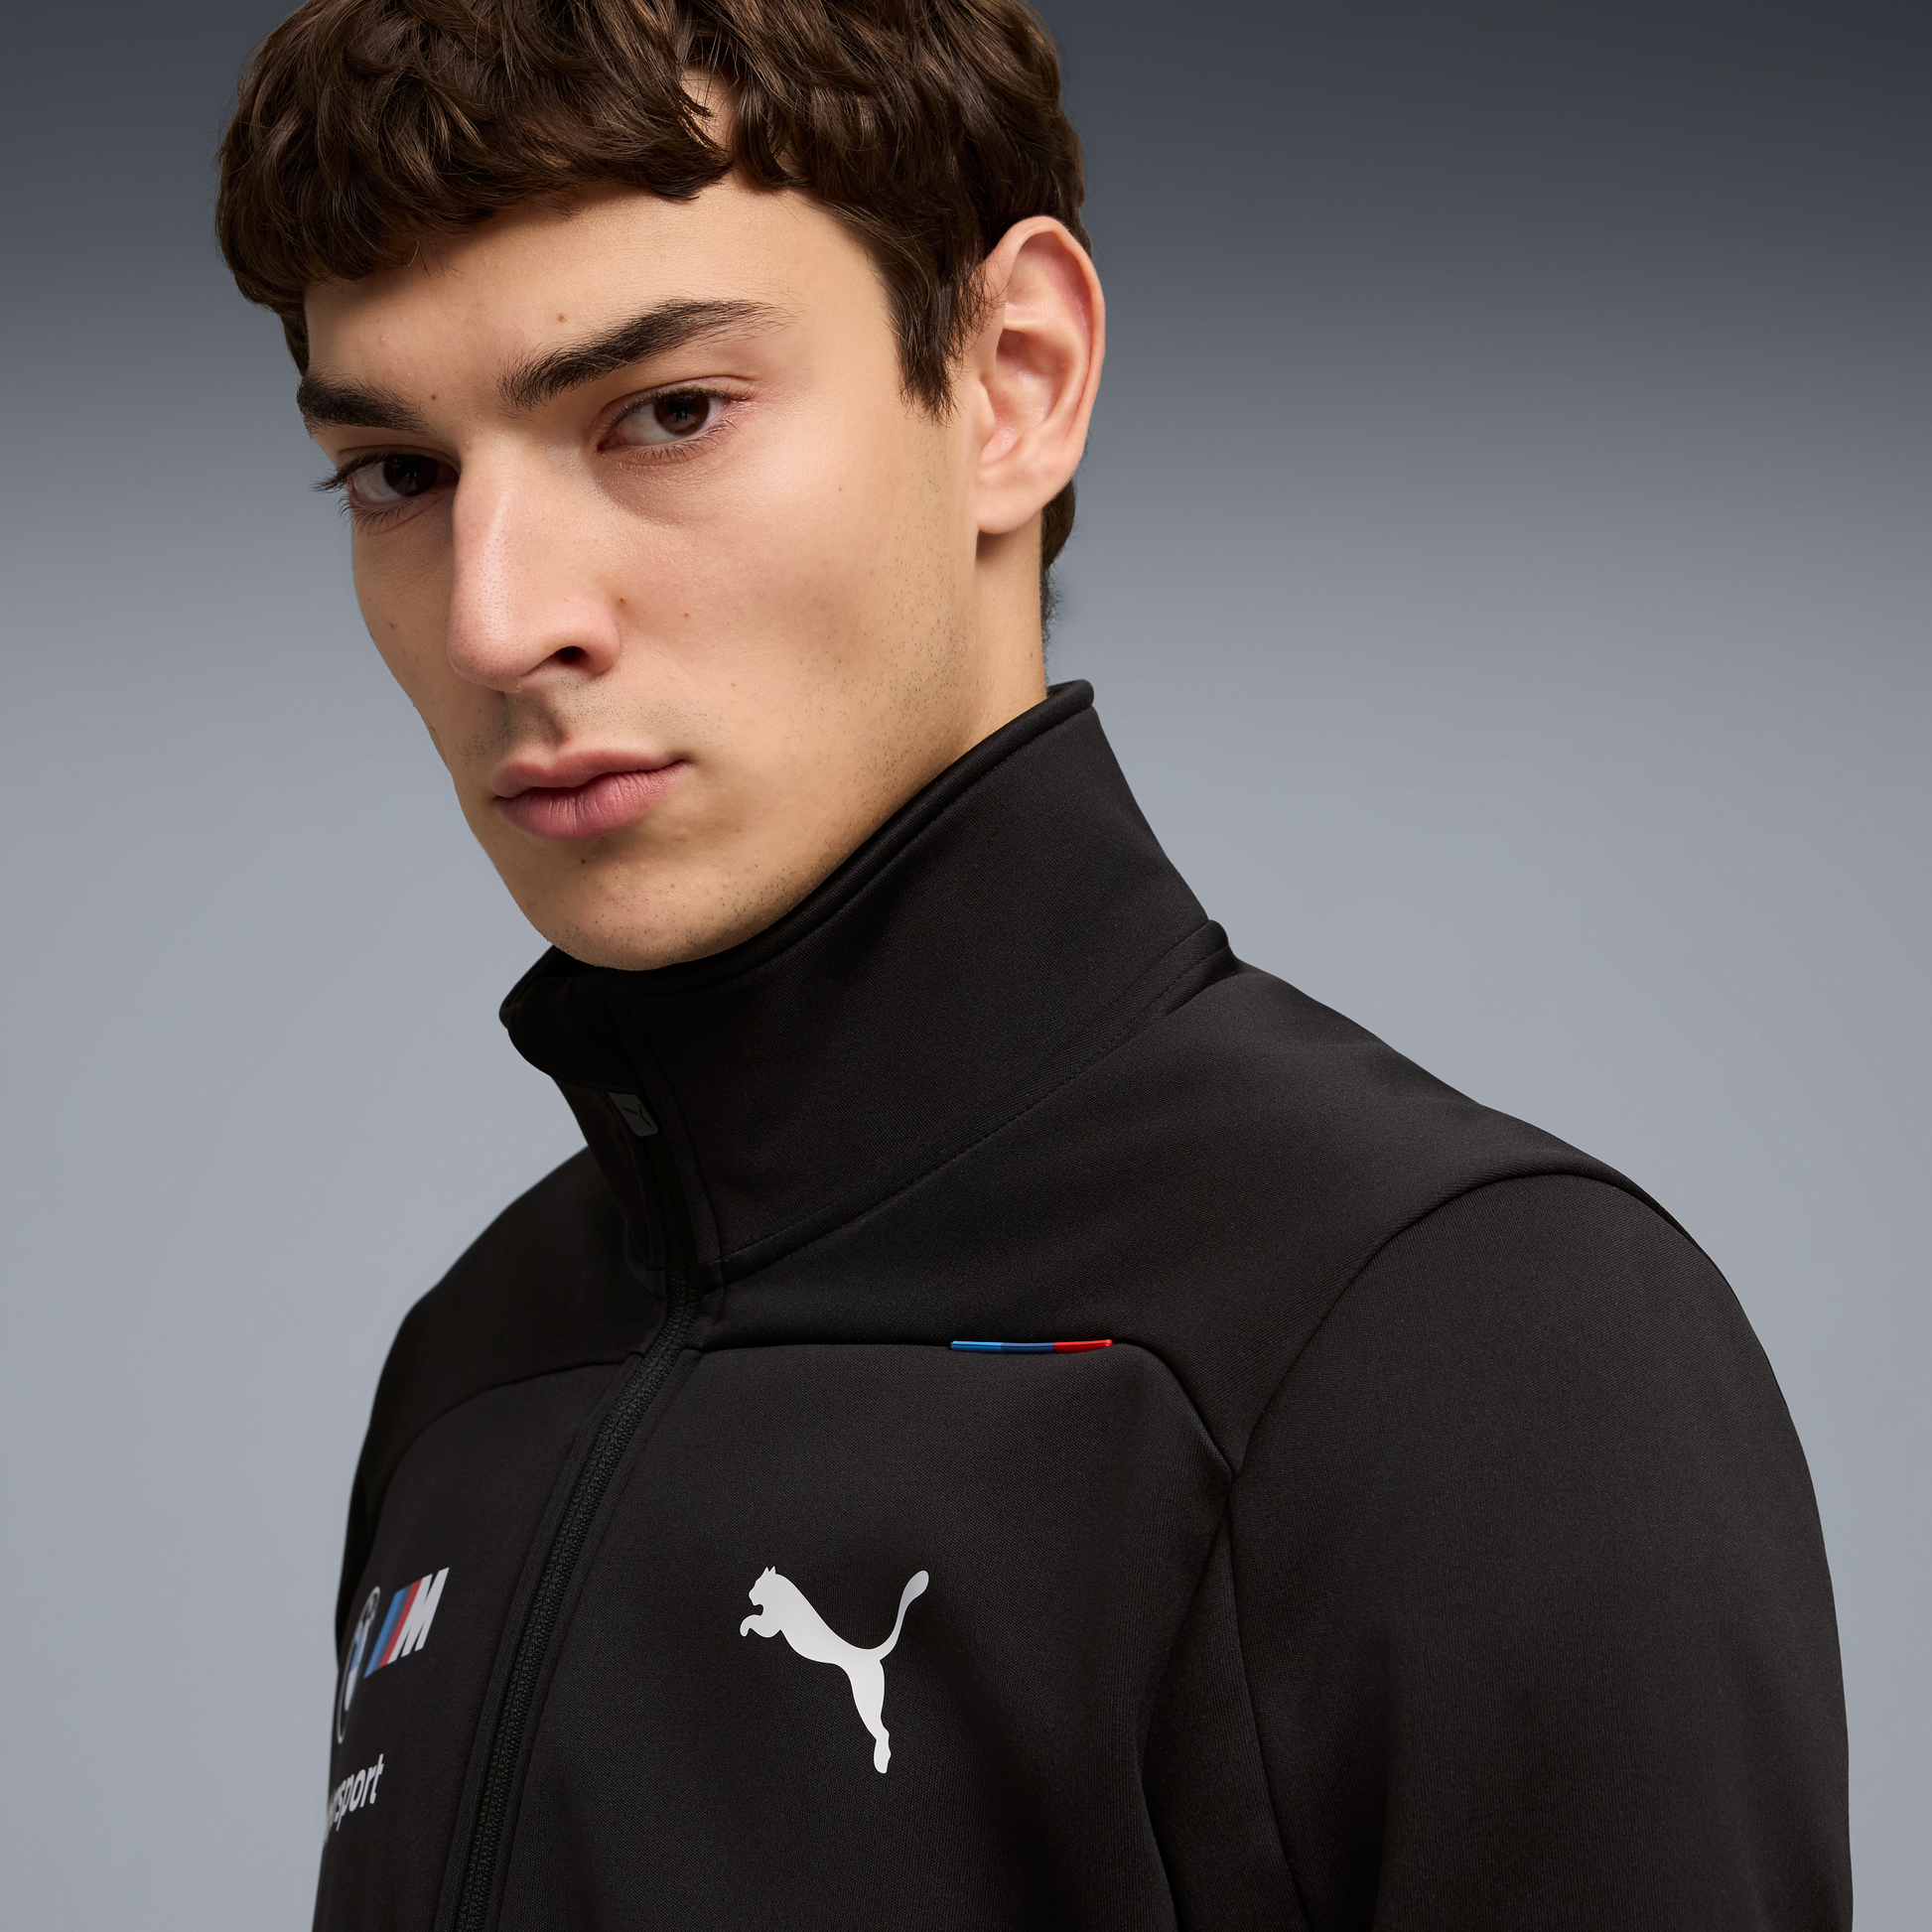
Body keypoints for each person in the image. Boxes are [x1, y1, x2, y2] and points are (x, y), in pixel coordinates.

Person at [217, 3, 1852, 1926]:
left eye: (664, 414)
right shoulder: (481, 1361)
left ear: (1012, 381)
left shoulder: (1465, 1331)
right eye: (397, 472)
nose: (498, 620)